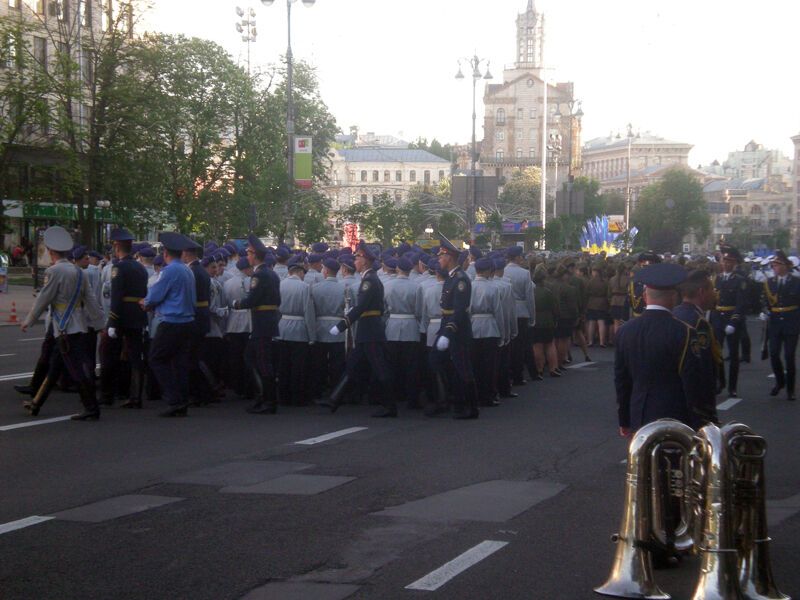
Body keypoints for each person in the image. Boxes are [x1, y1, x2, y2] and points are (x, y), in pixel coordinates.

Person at [614, 263, 713, 436]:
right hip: (675, 416)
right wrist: (702, 422)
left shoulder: (625, 330)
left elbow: (622, 381)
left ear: (645, 296)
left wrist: (624, 419)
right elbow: (693, 382)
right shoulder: (685, 332)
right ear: (674, 297)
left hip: (639, 413)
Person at [20, 226, 105, 420]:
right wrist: (100, 324)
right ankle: (36, 404)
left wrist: (29, 320)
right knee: (54, 369)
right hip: (78, 325)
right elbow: (90, 299)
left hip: (64, 328)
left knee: (76, 371)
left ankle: (91, 408)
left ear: (51, 252)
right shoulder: (78, 271)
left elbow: (44, 298)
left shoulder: (54, 271)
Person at [320, 240, 395, 417]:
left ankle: (390, 406)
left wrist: (342, 325)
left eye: (357, 259)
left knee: (380, 368)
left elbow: (361, 307)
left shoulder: (369, 281)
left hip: (370, 331)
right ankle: (334, 399)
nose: (355, 262)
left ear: (365, 261)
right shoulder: (369, 279)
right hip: (367, 330)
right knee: (352, 365)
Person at [141, 233, 197, 417]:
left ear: (165, 253)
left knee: (156, 359)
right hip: (187, 321)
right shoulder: (187, 270)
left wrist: (145, 302)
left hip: (172, 321)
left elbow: (155, 295)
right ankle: (182, 400)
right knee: (179, 362)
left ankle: (174, 399)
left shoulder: (169, 270)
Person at [100, 227, 149, 408]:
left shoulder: (118, 267)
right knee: (136, 357)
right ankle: (135, 396)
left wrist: (112, 321)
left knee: (109, 355)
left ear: (117, 246)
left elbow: (117, 295)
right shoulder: (140, 268)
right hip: (137, 315)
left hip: (121, 317)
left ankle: (107, 394)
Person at [431, 234, 479, 419]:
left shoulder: (460, 279)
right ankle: (445, 400)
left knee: (462, 366)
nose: (438, 259)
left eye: (441, 256)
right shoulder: (451, 277)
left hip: (456, 328)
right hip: (447, 325)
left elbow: (459, 310)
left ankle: (470, 407)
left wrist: (448, 332)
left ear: (449, 257)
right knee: (435, 360)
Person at [672, 269, 720, 424]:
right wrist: (707, 409)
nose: (715, 294)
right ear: (701, 292)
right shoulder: (699, 322)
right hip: (694, 404)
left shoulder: (674, 314)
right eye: (712, 289)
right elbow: (702, 367)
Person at [310, 257, 352, 399]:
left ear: (326, 271)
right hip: (338, 327)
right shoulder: (344, 288)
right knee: (337, 362)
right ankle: (336, 390)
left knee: (319, 362)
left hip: (320, 327)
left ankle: (318, 389)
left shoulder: (315, 288)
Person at [384, 255, 423, 408]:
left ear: (398, 268)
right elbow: (419, 310)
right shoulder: (416, 286)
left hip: (392, 325)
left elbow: (385, 308)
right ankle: (412, 398)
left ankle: (394, 395)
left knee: (393, 364)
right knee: (411, 366)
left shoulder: (388, 285)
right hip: (411, 326)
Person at [761, 250, 800, 401]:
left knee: (790, 356)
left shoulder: (796, 282)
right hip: (775, 323)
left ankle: (790, 389)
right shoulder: (770, 282)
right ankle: (780, 381)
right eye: (773, 264)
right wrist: (765, 311)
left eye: (777, 264)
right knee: (774, 354)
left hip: (791, 322)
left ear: (786, 266)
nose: (774, 267)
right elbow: (765, 300)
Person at [277, 254, 316, 406]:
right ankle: (297, 397)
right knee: (298, 367)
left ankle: (283, 396)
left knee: (283, 365)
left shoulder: (280, 284)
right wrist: (312, 336)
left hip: (282, 327)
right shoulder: (304, 287)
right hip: (299, 330)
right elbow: (308, 312)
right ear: (300, 271)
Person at [710, 246, 747, 398]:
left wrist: (733, 321)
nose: (726, 264)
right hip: (718, 317)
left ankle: (732, 387)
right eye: (724, 261)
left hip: (732, 319)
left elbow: (741, 303)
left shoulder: (740, 280)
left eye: (730, 261)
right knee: (716, 353)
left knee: (733, 354)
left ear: (735, 263)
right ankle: (721, 381)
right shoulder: (716, 278)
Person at [470, 257, 503, 406]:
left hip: (473, 327)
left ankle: (474, 394)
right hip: (490, 327)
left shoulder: (469, 286)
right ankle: (488, 395)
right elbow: (498, 312)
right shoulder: (493, 288)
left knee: (474, 363)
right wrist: (502, 333)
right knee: (489, 366)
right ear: (489, 271)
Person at [504, 246, 535, 386]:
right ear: (516, 257)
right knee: (520, 346)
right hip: (521, 311)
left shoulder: (502, 272)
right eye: (521, 256)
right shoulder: (524, 273)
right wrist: (532, 316)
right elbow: (529, 297)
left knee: (508, 345)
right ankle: (518, 375)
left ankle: (508, 374)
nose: (522, 259)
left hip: (505, 311)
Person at [532, 264, 560, 379]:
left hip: (536, 320)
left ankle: (539, 369)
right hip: (548, 320)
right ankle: (553, 368)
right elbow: (555, 308)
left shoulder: (532, 292)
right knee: (550, 344)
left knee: (537, 346)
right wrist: (556, 319)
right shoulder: (548, 292)